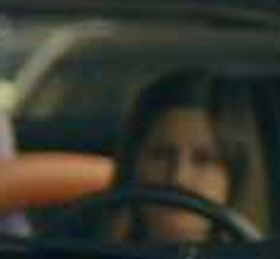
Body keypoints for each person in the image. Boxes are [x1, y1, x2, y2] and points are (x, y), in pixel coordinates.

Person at [103, 69, 264, 246]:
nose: (178, 178)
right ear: (132, 164)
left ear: (236, 176)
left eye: (203, 159)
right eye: (161, 154)